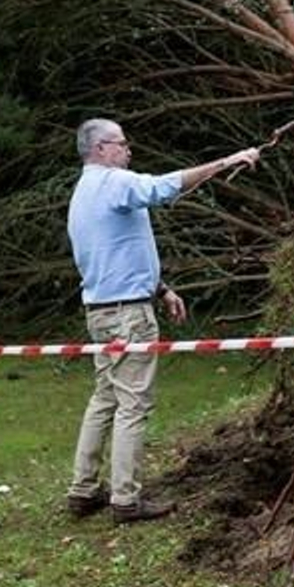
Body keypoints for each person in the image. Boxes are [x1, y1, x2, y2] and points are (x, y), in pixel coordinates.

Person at [65, 118, 260, 523]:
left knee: (105, 397)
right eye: (121, 143)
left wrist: (161, 288)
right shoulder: (114, 183)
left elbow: (116, 254)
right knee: (132, 404)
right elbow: (163, 187)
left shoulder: (84, 192)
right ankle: (126, 500)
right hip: (127, 316)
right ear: (101, 148)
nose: (128, 150)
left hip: (102, 311)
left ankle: (83, 490)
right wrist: (227, 162)